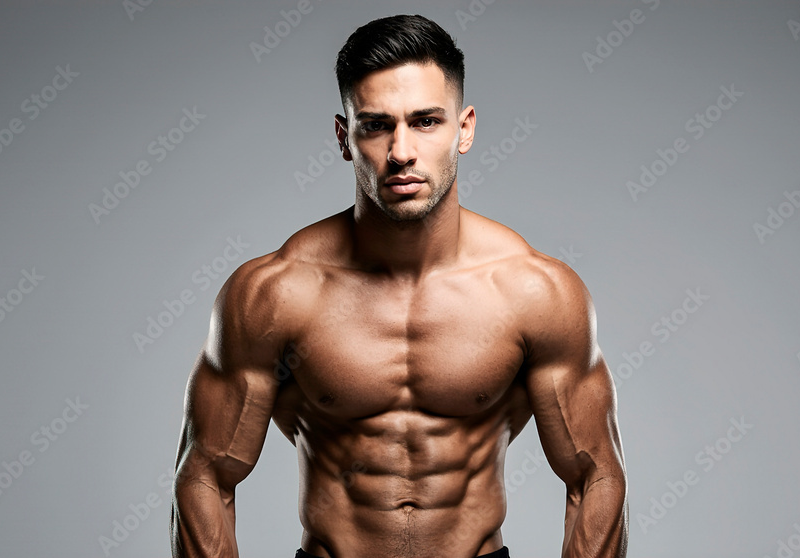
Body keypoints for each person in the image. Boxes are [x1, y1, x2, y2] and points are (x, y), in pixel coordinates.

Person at [171, 14, 628, 558]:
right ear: (345, 136)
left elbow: (595, 473)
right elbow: (205, 475)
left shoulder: (535, 292)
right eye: (376, 124)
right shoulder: (274, 293)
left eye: (426, 121)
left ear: (465, 129)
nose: (402, 151)